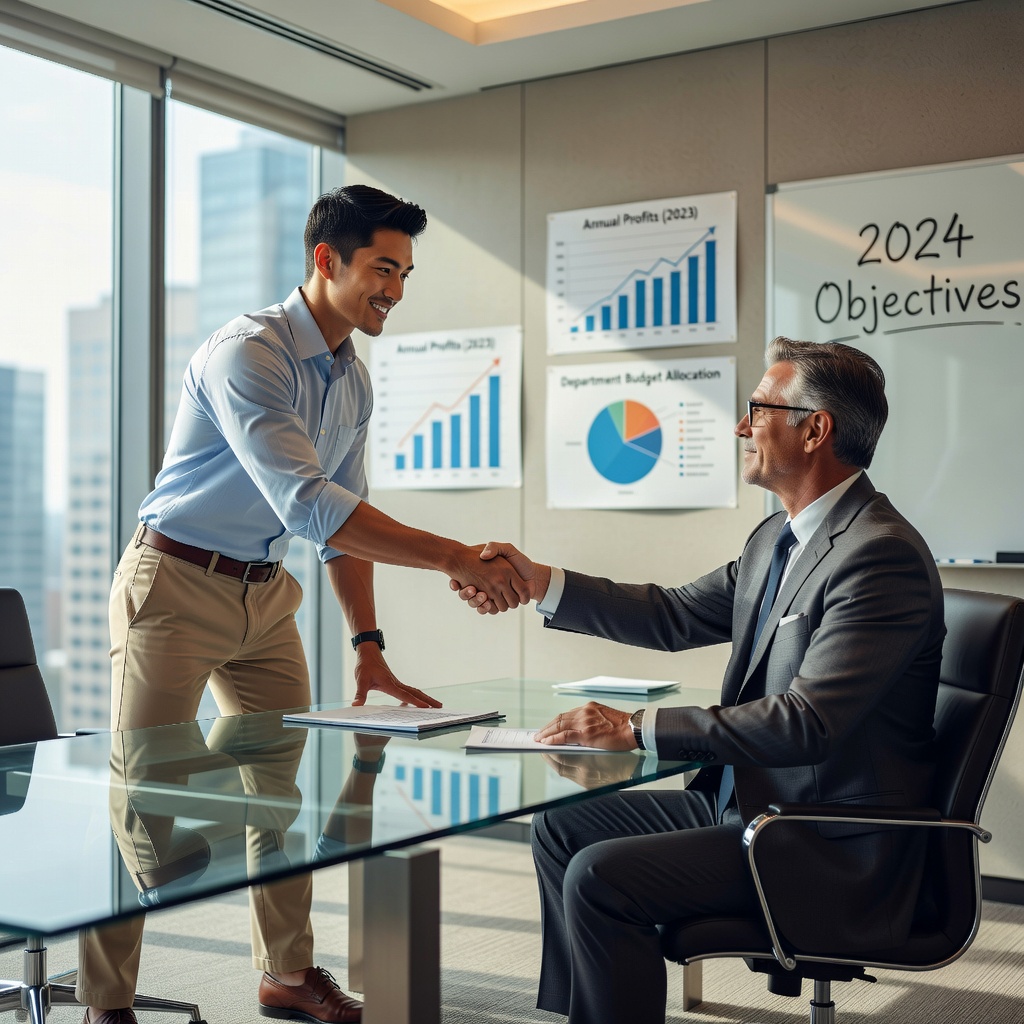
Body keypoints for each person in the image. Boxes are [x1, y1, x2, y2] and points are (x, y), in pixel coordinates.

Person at [78, 185, 529, 1024]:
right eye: (382, 269)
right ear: (328, 261)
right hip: (172, 585)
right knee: (143, 791)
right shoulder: (246, 353)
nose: (394, 288)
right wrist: (453, 558)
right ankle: (108, 1002)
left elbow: (339, 531)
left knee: (281, 790)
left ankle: (286, 974)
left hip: (263, 595)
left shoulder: (349, 381)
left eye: (404, 273)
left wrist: (369, 645)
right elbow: (309, 504)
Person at [453, 337, 944, 1024]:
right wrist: (539, 583)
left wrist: (635, 729)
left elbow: (805, 723)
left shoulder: (878, 556)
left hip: (825, 841)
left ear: (816, 429)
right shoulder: (778, 539)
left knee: (601, 877)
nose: (742, 426)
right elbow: (674, 615)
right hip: (751, 809)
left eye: (757, 409)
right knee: (566, 826)